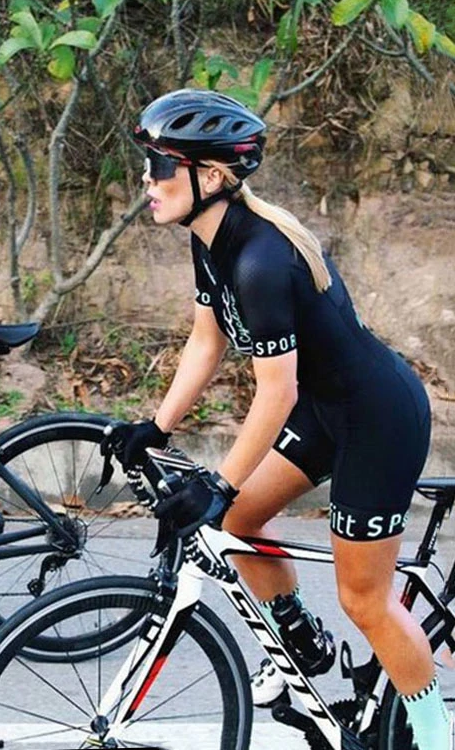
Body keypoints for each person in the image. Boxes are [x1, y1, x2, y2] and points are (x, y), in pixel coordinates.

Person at [109, 88, 448, 748]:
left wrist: (219, 483)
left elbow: (276, 394)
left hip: (378, 420)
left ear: (211, 177)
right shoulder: (210, 240)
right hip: (327, 408)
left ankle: (437, 736)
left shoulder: (261, 261)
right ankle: (302, 646)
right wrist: (158, 425)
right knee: (238, 521)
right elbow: (205, 340)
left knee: (365, 600)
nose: (147, 179)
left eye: (161, 165)